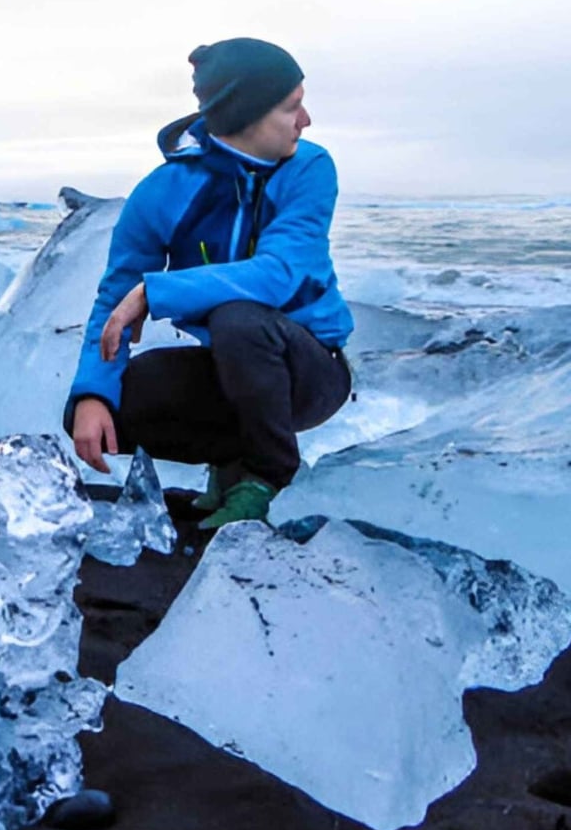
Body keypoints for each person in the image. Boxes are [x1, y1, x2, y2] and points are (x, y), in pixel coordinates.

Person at [63, 37, 354, 528]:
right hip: (232, 368)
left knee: (239, 320)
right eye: (292, 107)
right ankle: (232, 461)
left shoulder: (309, 168)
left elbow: (279, 275)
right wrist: (92, 394)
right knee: (115, 407)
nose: (305, 122)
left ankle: (265, 475)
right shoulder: (162, 192)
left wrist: (156, 291)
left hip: (311, 371)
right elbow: (114, 303)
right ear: (248, 114)